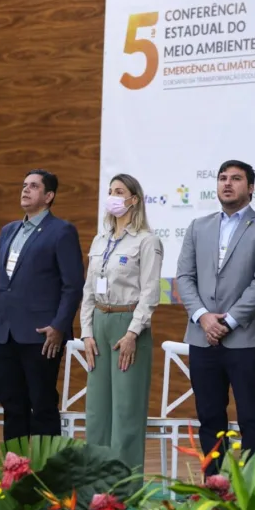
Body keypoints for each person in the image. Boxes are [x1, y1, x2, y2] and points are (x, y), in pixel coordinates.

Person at [176, 159, 255, 475]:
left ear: (250, 188)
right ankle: (214, 487)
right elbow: (184, 276)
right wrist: (203, 317)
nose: (227, 183)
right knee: (209, 416)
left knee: (251, 415)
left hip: (245, 337)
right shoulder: (198, 226)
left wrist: (226, 321)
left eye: (236, 179)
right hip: (201, 336)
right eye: (223, 178)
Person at [0, 169, 84, 441]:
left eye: (33, 186)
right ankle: (14, 471)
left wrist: (59, 327)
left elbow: (72, 285)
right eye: (24, 185)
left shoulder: (61, 231)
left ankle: (45, 472)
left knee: (42, 405)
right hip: (7, 333)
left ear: (49, 196)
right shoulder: (9, 231)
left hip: (42, 335)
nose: (25, 190)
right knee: (11, 403)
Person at [80, 174, 163, 477]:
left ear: (134, 200)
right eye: (110, 191)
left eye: (119, 191)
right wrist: (86, 334)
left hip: (129, 325)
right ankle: (95, 484)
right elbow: (88, 291)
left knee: (126, 410)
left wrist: (132, 333)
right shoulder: (99, 239)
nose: (113, 196)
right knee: (98, 411)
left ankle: (124, 490)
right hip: (99, 324)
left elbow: (150, 293)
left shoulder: (146, 240)